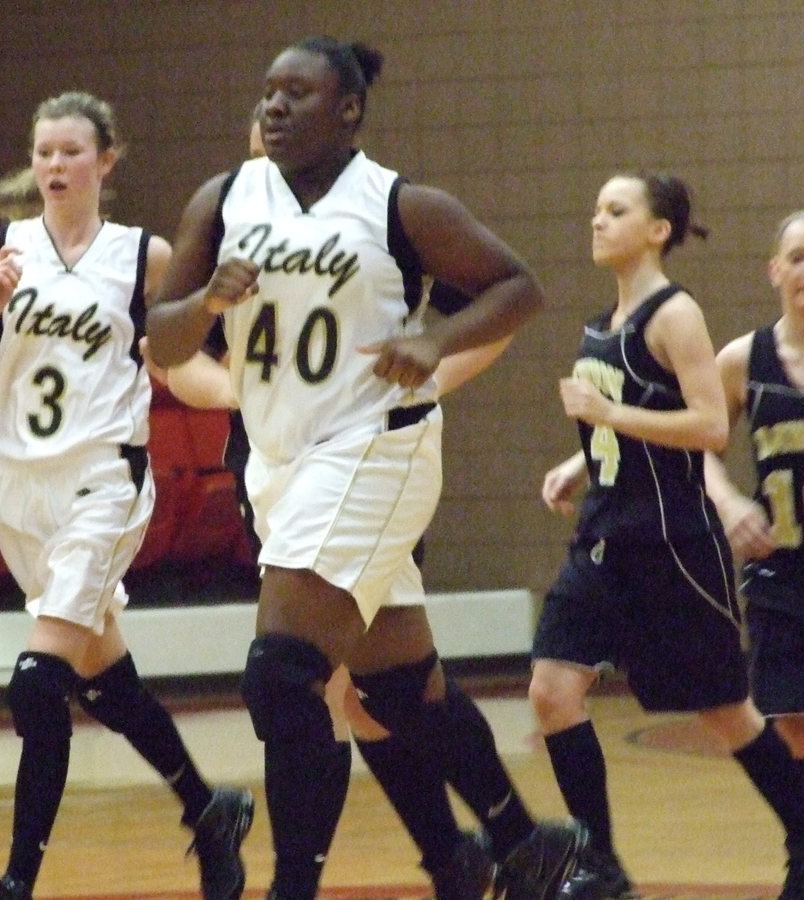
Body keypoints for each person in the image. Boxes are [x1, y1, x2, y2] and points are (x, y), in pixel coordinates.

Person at [146, 36, 586, 900]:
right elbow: (163, 340)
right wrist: (207, 303)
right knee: (392, 685)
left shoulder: (399, 205)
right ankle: (524, 844)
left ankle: (292, 888)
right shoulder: (225, 198)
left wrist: (434, 337)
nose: (274, 107)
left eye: (296, 94)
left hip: (376, 447)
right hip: (279, 461)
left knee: (281, 675)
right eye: (267, 92)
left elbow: (517, 287)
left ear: (348, 110)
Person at [0, 91, 254, 900]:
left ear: (106, 162)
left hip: (104, 477)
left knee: (38, 683)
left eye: (71, 151)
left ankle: (17, 881)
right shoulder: (2, 248)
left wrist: (235, 380)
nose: (53, 166)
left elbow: (175, 356)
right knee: (107, 682)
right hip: (15, 485)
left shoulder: (140, 255)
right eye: (43, 152)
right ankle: (208, 809)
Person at [530, 172, 804, 900]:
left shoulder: (676, 315)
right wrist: (580, 462)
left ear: (658, 230)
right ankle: (599, 863)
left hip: (671, 544)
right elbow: (643, 418)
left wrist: (604, 422)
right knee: (552, 692)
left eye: (616, 210)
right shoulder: (602, 324)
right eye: (597, 207)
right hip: (603, 536)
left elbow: (706, 427)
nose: (597, 220)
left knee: (728, 713)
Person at [704, 205, 804, 873]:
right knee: (798, 727)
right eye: (798, 257)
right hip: (781, 582)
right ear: (774, 271)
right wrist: (728, 497)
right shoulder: (742, 359)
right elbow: (694, 442)